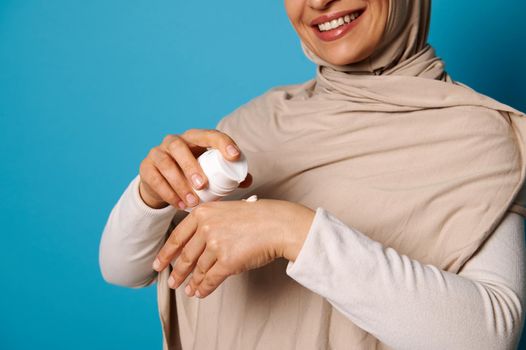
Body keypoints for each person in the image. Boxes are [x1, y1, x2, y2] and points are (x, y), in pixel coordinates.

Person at [99, 0, 526, 349]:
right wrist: (150, 196)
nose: (319, 2)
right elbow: (124, 270)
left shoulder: (479, 136)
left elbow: (487, 337)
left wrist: (293, 232)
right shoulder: (255, 122)